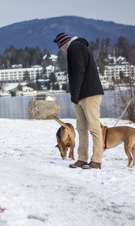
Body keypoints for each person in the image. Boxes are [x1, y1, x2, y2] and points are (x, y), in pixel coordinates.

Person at [53, 32, 104, 170]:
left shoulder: (74, 48)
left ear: (62, 44)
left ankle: (96, 160)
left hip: (89, 93)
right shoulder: (77, 47)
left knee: (94, 127)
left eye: (59, 46)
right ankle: (82, 159)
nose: (60, 49)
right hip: (82, 95)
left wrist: (74, 93)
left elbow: (79, 72)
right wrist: (76, 95)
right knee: (81, 128)